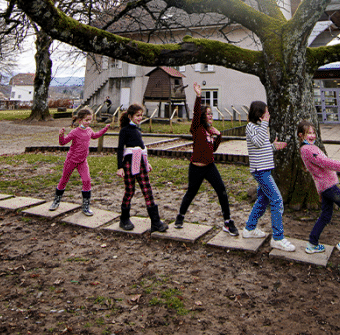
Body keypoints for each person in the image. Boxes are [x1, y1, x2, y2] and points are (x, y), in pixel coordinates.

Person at [174, 83, 238, 236]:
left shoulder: (210, 131)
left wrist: (218, 136)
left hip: (210, 166)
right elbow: (196, 113)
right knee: (191, 193)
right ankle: (180, 216)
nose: (211, 116)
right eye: (208, 114)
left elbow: (212, 150)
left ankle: (227, 222)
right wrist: (198, 96)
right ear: (203, 116)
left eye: (211, 114)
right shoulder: (197, 128)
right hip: (196, 167)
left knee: (221, 191)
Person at [298, 121, 340, 261]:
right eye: (309, 133)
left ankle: (312, 244)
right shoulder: (308, 150)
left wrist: (319, 192)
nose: (312, 135)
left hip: (324, 187)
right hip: (329, 187)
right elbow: (326, 163)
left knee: (326, 216)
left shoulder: (310, 148)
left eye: (313, 133)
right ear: (301, 135)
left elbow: (316, 172)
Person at [241, 100, 294, 251]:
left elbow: (261, 147)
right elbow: (257, 142)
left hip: (265, 169)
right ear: (259, 113)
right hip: (260, 171)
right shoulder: (251, 127)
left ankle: (249, 229)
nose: (268, 114)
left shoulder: (259, 127)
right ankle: (278, 238)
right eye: (266, 111)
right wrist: (265, 123)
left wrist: (273, 146)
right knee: (277, 200)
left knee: (263, 200)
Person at [116, 103, 168, 232]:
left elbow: (142, 149)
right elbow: (119, 149)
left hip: (140, 162)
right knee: (130, 190)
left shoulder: (138, 130)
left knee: (147, 190)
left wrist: (147, 163)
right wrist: (120, 167)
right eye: (137, 115)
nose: (140, 118)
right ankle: (124, 219)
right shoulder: (124, 130)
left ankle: (155, 222)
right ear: (130, 116)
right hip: (129, 162)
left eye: (141, 115)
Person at [52, 108, 111, 215]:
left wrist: (105, 129)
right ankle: (56, 201)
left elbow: (95, 136)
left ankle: (86, 206)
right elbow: (63, 143)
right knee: (64, 180)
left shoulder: (89, 130)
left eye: (90, 120)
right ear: (80, 120)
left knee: (87, 180)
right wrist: (61, 135)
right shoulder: (75, 132)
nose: (88, 122)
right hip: (71, 160)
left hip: (82, 161)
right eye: (86, 120)